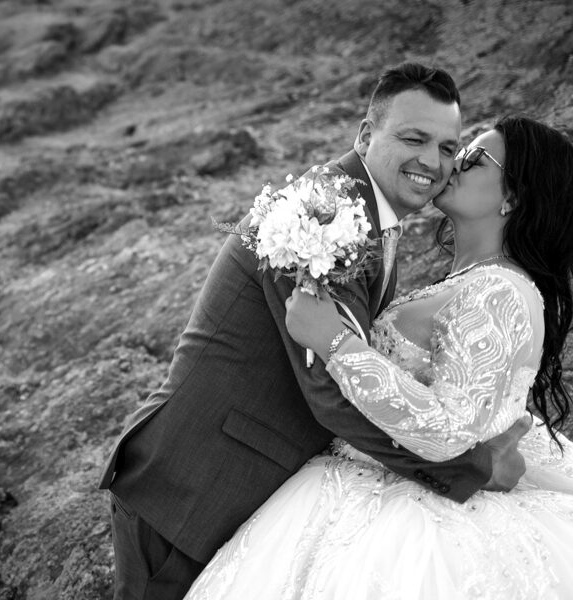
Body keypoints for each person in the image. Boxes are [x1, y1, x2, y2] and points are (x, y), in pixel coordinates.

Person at [99, 63, 529, 600]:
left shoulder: (368, 216)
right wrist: (474, 467)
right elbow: (332, 389)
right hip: (193, 485)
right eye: (413, 139)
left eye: (447, 148)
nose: (433, 162)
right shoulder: (321, 217)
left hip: (235, 481)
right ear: (366, 135)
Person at [184, 115, 573, 599]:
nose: (452, 164)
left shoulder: (498, 293)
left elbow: (448, 430)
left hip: (413, 524)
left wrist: (335, 342)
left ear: (512, 197)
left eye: (474, 158)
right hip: (370, 482)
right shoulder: (478, 280)